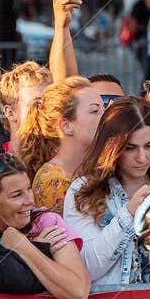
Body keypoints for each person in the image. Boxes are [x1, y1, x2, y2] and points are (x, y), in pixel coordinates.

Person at [0, 155, 90, 299]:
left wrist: (24, 247)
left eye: (28, 189)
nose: (30, 201)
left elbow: (78, 293)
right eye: (17, 195)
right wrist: (38, 249)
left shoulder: (47, 222)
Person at [63, 98, 150, 289]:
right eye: (130, 148)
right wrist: (128, 214)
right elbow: (88, 267)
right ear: (110, 147)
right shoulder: (83, 190)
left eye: (149, 145)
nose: (142, 157)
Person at [22, 76, 101, 210]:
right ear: (66, 125)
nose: (106, 116)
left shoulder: (97, 168)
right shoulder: (52, 181)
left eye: (104, 108)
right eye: (94, 111)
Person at [0, 61, 51, 154]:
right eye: (37, 103)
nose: (47, 109)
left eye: (50, 102)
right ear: (10, 113)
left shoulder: (61, 158)